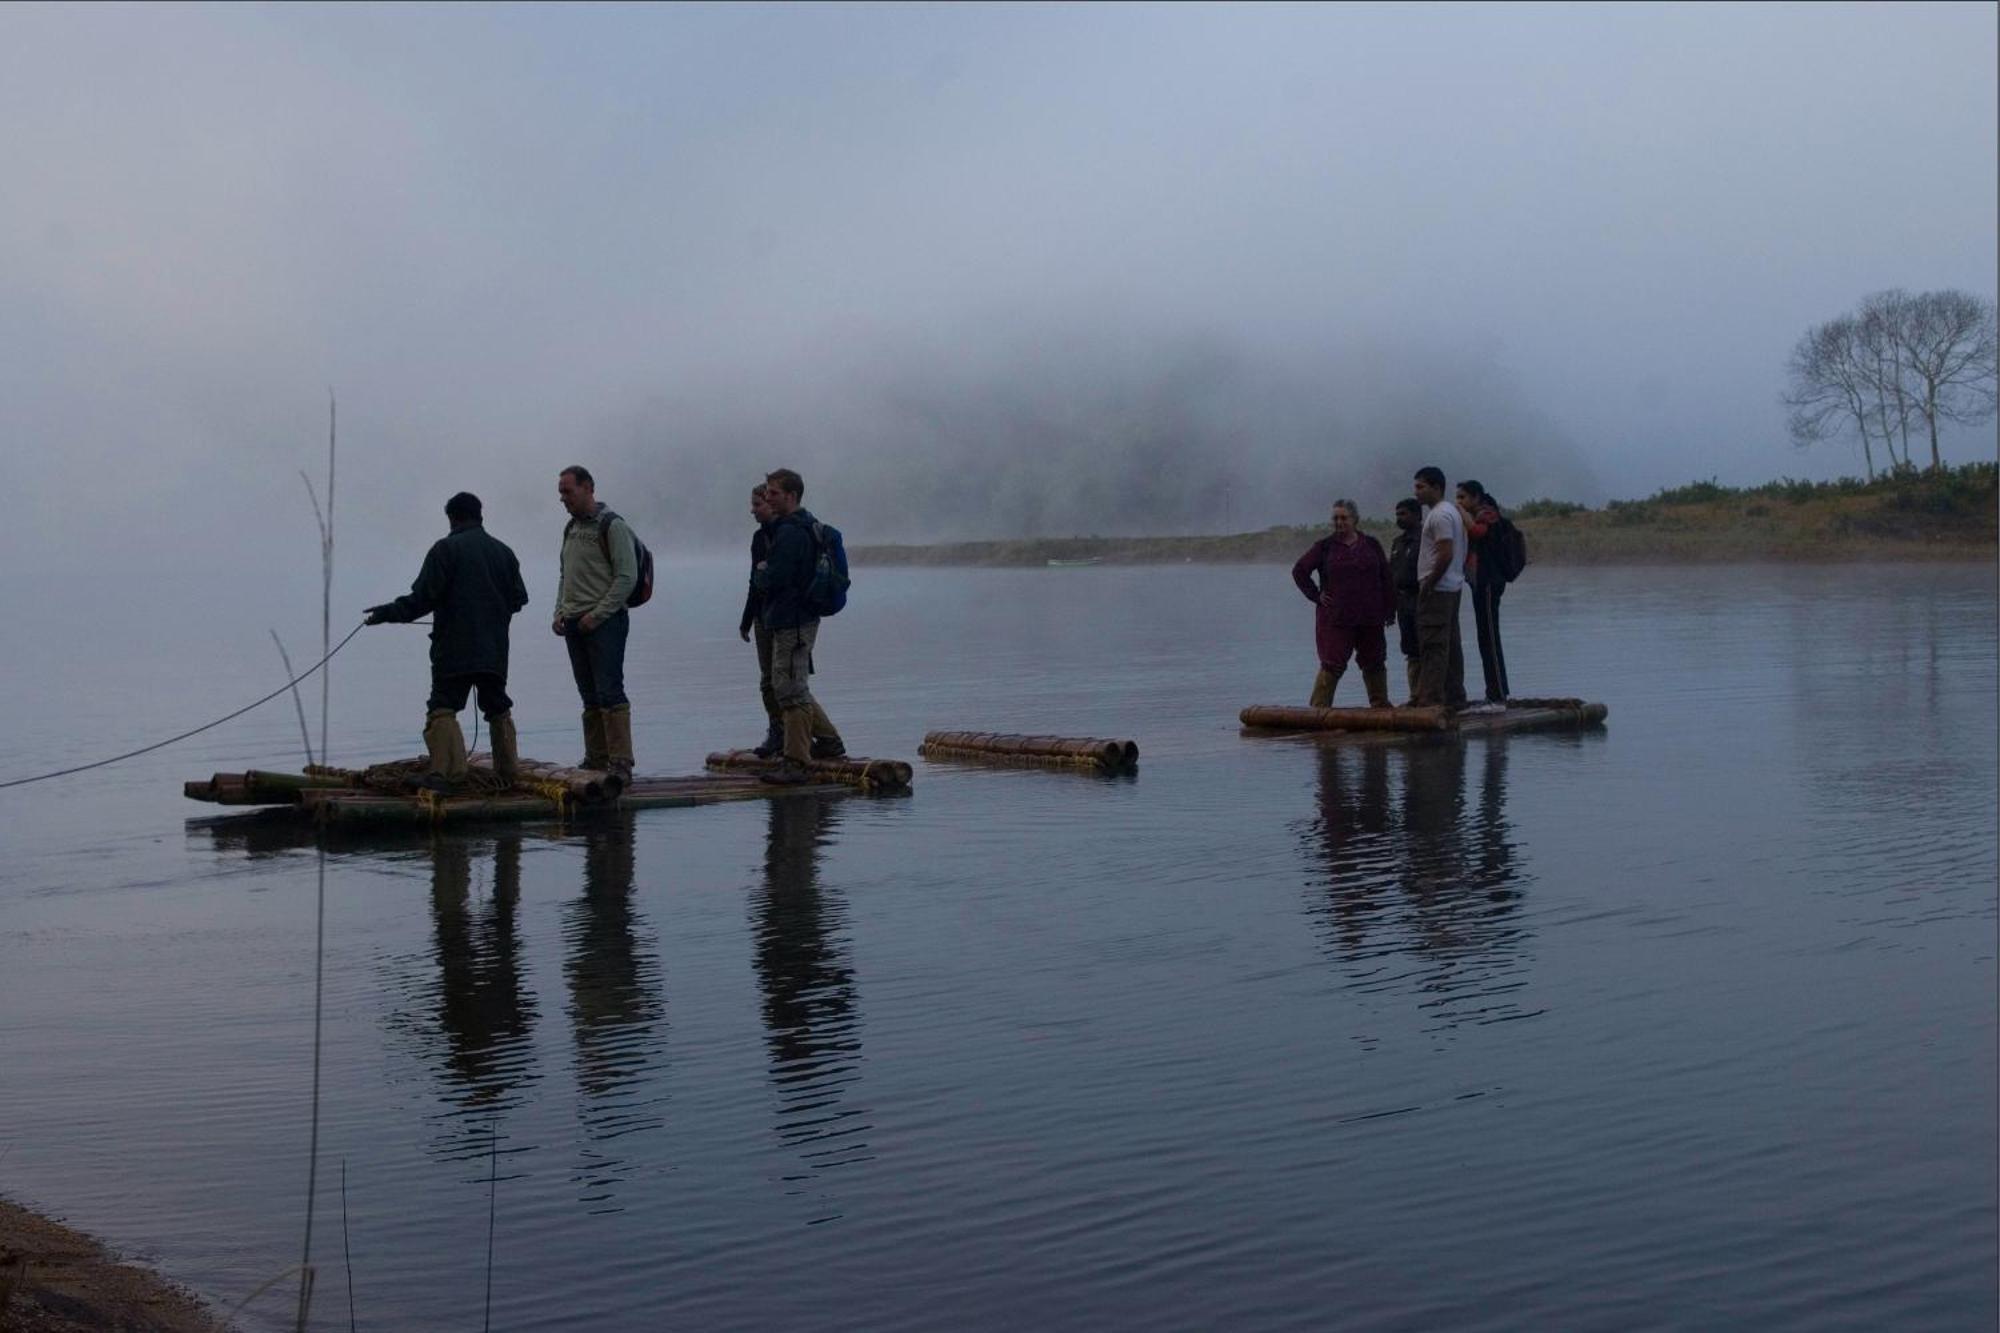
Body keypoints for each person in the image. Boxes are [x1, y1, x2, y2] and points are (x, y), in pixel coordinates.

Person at [364, 491, 530, 791]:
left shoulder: (444, 550)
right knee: (497, 706)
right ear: (480, 516)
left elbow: (420, 601)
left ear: (452, 518)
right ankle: (509, 773)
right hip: (494, 651)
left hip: (454, 650)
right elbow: (519, 599)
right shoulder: (504, 553)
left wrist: (384, 614)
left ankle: (447, 775)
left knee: (443, 706)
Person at [754, 468, 846, 785]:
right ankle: (829, 743)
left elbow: (774, 576)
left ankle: (796, 763)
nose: (767, 497)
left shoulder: (792, 532)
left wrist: (763, 572)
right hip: (794, 618)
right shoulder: (799, 527)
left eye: (773, 493)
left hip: (793, 620)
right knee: (792, 686)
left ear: (791, 496)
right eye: (767, 492)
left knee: (789, 689)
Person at [553, 465, 638, 780]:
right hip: (574, 623)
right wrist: (558, 612)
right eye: (561, 492)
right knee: (588, 694)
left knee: (610, 691)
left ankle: (621, 763)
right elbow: (565, 575)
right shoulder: (570, 529)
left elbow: (626, 577)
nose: (563, 499)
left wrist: (597, 614)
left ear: (588, 488)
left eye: (568, 491)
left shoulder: (612, 526)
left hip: (605, 623)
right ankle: (596, 759)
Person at [1290, 499, 1394, 708]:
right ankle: (1318, 711)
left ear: (1355, 519)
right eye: (1335, 518)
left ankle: (1380, 707)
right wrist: (1316, 595)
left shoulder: (1371, 545)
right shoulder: (1325, 547)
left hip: (1370, 617)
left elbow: (1386, 578)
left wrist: (1390, 610)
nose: (1339, 522)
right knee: (1332, 664)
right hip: (1336, 618)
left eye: (1344, 518)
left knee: (1374, 662)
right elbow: (1299, 571)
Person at [1410, 465, 1468, 709]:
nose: (1416, 493)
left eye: (1420, 487)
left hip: (1439, 589)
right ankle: (1454, 697)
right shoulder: (1451, 512)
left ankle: (1430, 701)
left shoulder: (1440, 515)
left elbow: (1445, 553)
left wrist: (1430, 583)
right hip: (1452, 587)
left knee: (1433, 644)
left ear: (1436, 487)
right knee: (1450, 644)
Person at [1456, 479, 1510, 711]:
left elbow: (1476, 532)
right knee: (1484, 638)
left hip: (1488, 583)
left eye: (1462, 498)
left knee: (1489, 638)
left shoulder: (1487, 513)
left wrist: (1458, 511)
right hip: (1480, 584)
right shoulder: (1481, 512)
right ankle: (1495, 693)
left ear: (1476, 497)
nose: (1459, 502)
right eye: (1457, 498)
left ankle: (1497, 697)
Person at [1388, 497, 1424, 703]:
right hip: (1403, 603)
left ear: (1417, 515)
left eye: (1403, 514)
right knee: (1410, 649)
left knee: (1424, 648)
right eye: (1397, 514)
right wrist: (1390, 608)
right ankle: (1415, 696)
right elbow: (1392, 575)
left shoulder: (1425, 540)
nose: (1399, 518)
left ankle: (1427, 695)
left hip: (1421, 600)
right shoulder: (1397, 543)